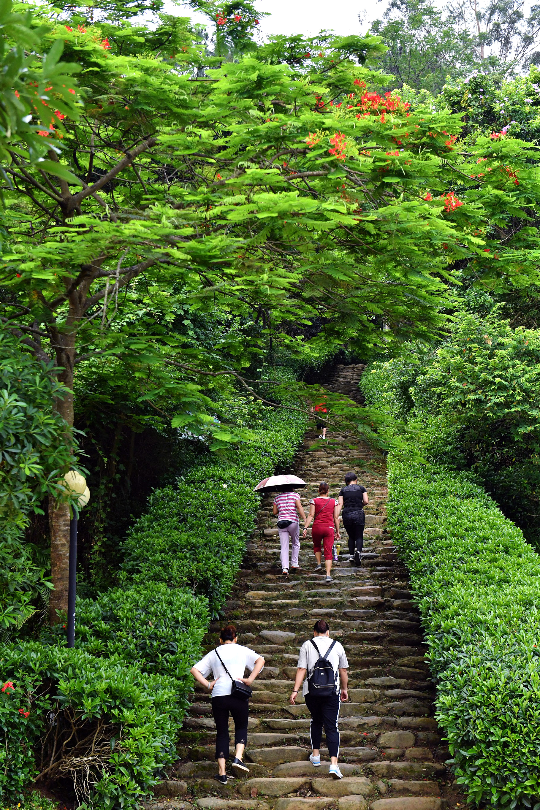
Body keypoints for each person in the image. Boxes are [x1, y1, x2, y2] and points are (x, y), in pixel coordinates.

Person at [191, 624, 265, 784]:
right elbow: (261, 660)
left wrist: (208, 684)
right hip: (238, 693)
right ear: (235, 638)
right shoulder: (242, 650)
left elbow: (194, 670)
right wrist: (250, 679)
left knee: (222, 732)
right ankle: (238, 758)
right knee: (241, 727)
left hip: (219, 695)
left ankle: (222, 773)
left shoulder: (214, 653)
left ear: (220, 640)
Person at [289, 619, 349, 779]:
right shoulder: (337, 646)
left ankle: (315, 755)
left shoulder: (307, 645)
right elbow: (343, 670)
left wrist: (295, 690)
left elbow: (301, 668)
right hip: (332, 691)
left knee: (316, 720)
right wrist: (344, 689)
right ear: (328, 632)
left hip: (312, 692)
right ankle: (334, 765)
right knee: (331, 726)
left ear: (314, 632)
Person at [303, 481, 340, 583]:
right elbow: (336, 517)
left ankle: (319, 564)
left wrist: (305, 527)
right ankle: (328, 575)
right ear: (328, 491)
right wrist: (337, 531)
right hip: (329, 528)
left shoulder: (314, 501)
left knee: (317, 546)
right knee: (328, 551)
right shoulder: (334, 501)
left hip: (317, 527)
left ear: (319, 491)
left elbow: (310, 515)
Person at [336, 471, 368, 567]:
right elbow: (366, 501)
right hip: (358, 513)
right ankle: (358, 552)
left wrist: (336, 516)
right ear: (356, 480)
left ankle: (351, 555)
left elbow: (340, 504)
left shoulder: (343, 490)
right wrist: (360, 505)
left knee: (351, 536)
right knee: (359, 535)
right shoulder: (362, 488)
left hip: (347, 514)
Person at [273, 486, 306, 575]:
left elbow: (275, 512)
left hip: (282, 523)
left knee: (284, 546)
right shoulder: (295, 495)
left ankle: (285, 568)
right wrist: (304, 518)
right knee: (295, 542)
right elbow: (299, 507)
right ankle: (294, 563)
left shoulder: (277, 498)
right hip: (293, 522)